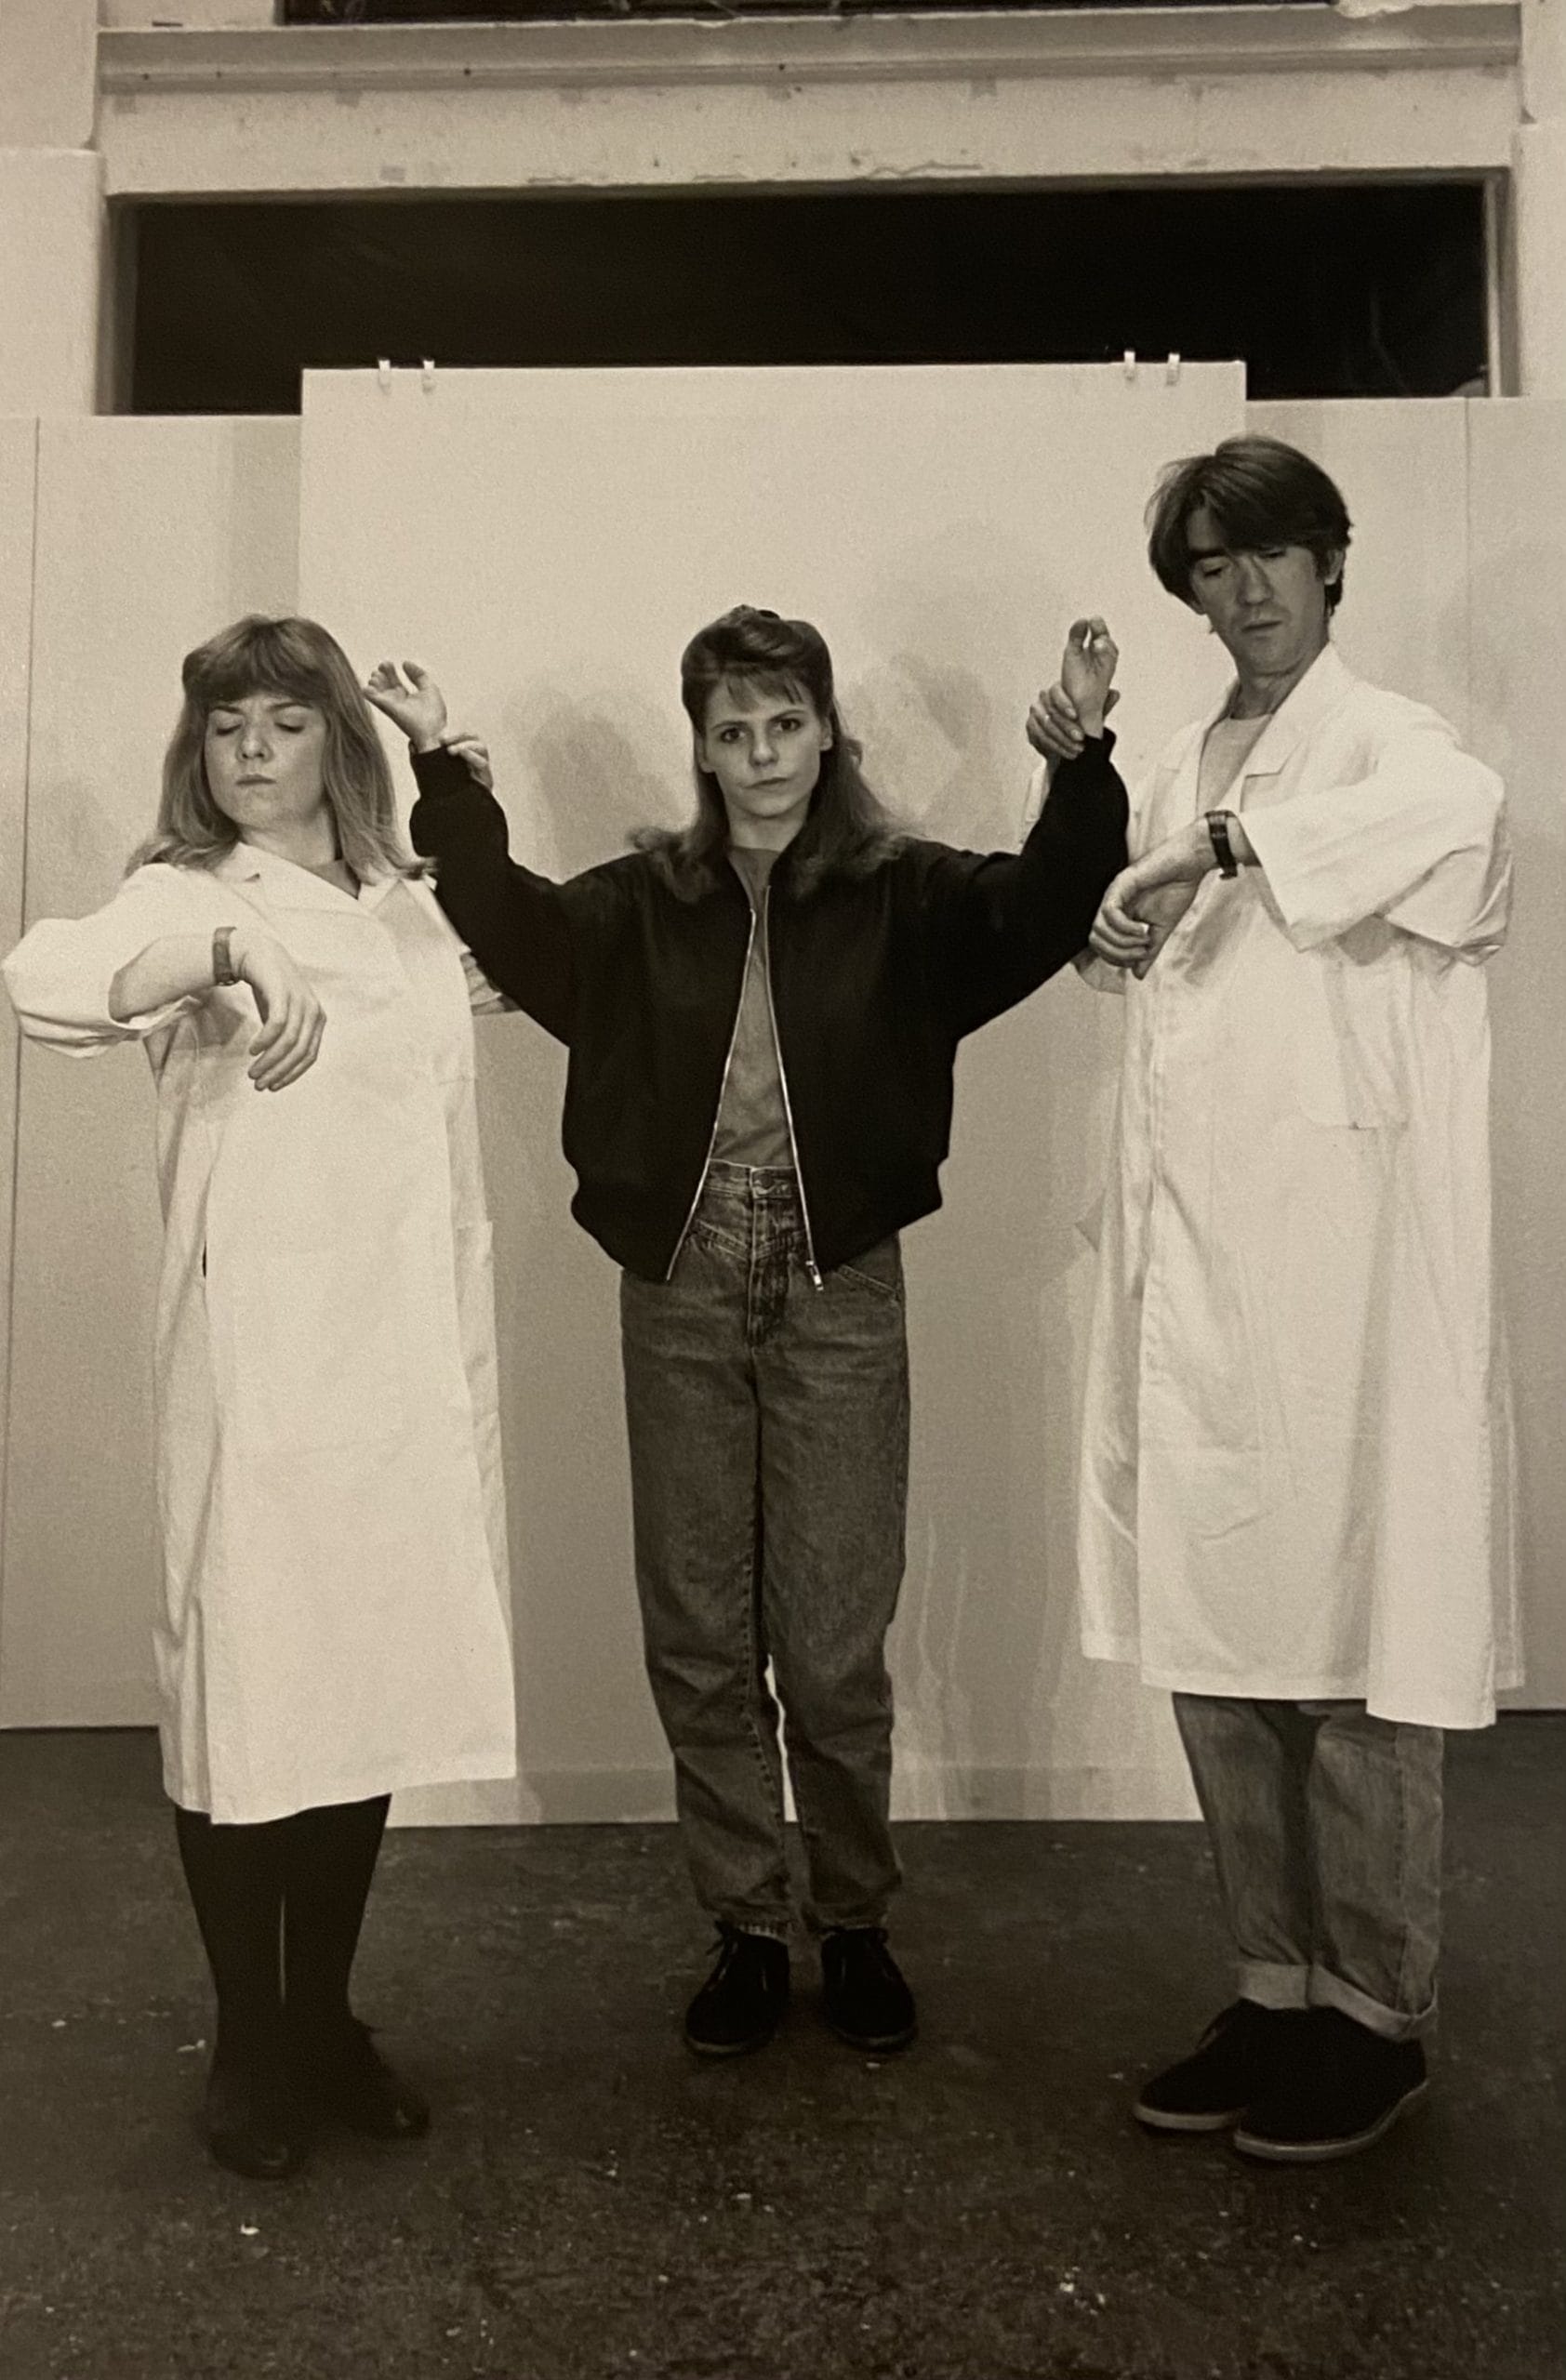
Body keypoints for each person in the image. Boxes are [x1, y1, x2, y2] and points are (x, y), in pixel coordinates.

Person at [364, 605, 1127, 2060]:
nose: (764, 755)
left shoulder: (901, 893)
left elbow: (1044, 905)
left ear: (828, 731)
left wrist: (1082, 753)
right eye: (734, 731)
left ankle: (852, 1922)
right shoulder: (649, 897)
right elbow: (512, 925)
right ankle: (743, 1928)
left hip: (842, 1280)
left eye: (787, 724)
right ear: (702, 748)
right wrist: (446, 769)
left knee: (835, 1639)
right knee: (703, 1633)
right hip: (686, 1280)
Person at [1029, 434, 1517, 2162]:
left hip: (1345, 1268)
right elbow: (1166, 952)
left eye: (1270, 559)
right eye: (1212, 571)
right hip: (1199, 1266)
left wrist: (1225, 847)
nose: (1242, 594)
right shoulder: (1177, 754)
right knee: (1223, 1640)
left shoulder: (1398, 749)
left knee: (1356, 1643)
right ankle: (1275, 1983)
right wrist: (1118, 922)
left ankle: (1379, 2013)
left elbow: (1465, 833)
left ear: (1331, 565)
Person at [3, 615, 518, 2180]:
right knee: (247, 1692)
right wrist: (232, 951)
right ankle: (249, 2037)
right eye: (226, 725)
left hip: (397, 1355)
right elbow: (46, 982)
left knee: (353, 1681)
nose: (249, 751)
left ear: (332, 747)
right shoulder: (184, 897)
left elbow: (518, 957)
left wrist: (460, 769)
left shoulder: (403, 903)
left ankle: (326, 2020)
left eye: (283, 724)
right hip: (259, 1362)